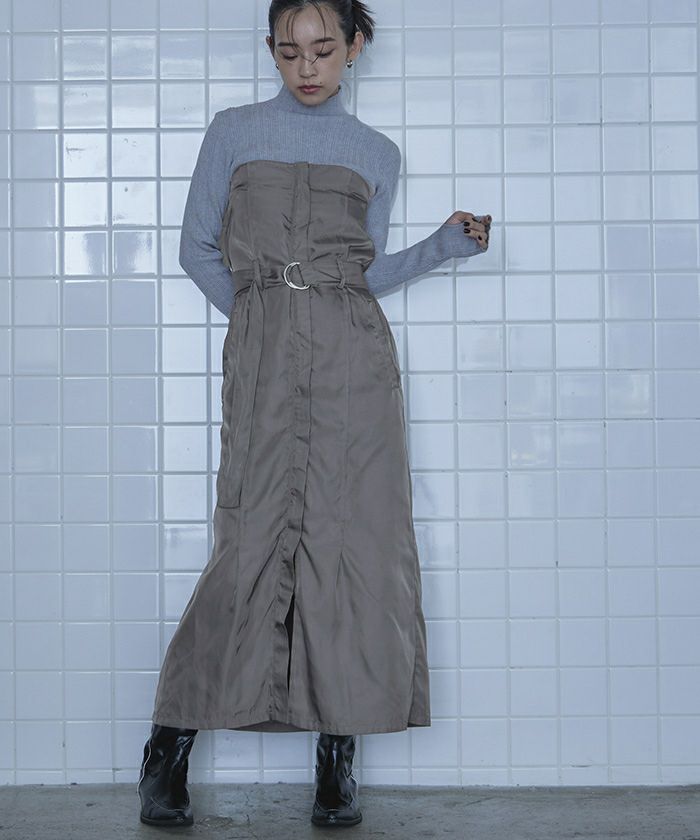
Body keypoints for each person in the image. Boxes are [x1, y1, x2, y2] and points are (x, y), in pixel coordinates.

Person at [137, 0, 491, 829]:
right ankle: (169, 745)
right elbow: (196, 248)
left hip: (354, 363)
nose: (307, 67)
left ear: (354, 47)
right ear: (271, 49)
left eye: (324, 50)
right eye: (289, 51)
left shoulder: (375, 153)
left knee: (351, 546)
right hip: (264, 361)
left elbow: (363, 273)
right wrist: (259, 321)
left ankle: (338, 760)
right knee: (248, 543)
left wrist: (441, 248)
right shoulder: (233, 132)